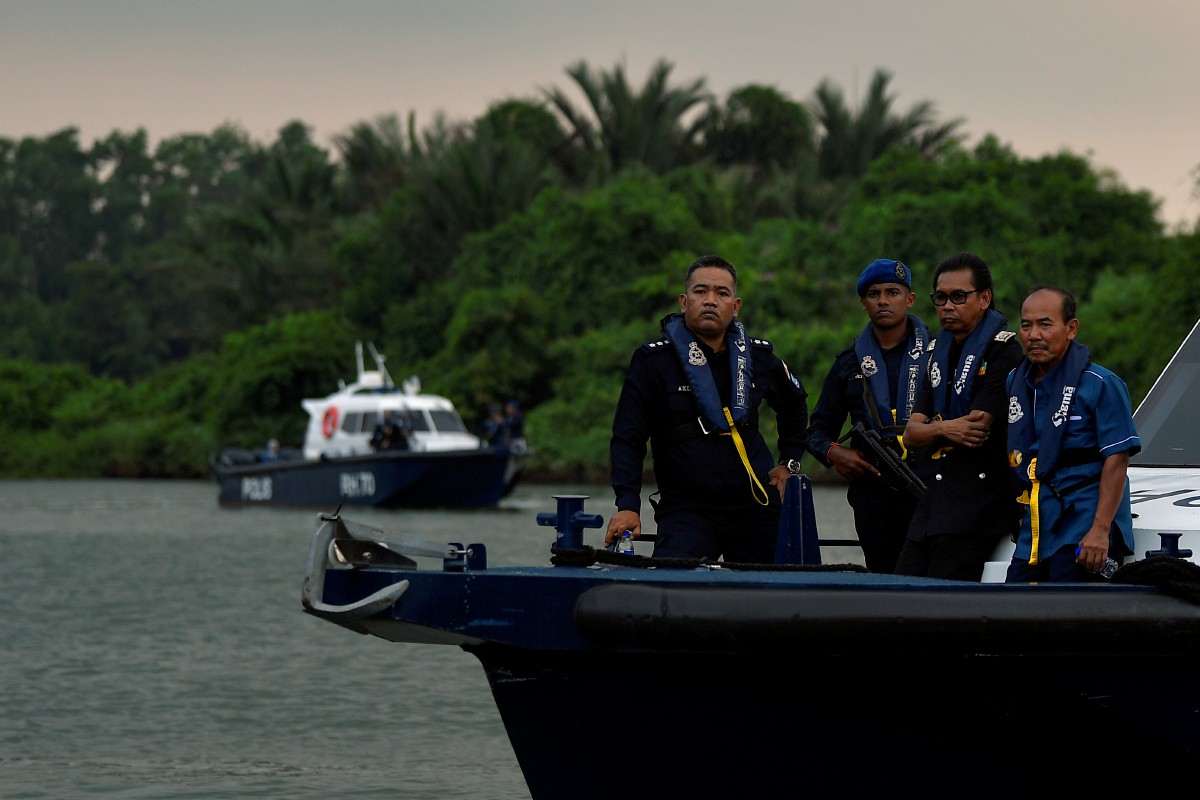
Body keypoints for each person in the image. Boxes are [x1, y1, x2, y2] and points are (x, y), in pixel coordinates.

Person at [606, 254, 810, 562]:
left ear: (735, 306)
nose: (711, 300)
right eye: (701, 291)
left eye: (722, 293)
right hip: (687, 509)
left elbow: (795, 406)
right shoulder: (653, 362)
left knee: (777, 591)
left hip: (755, 504)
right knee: (674, 591)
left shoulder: (760, 357)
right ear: (684, 301)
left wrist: (789, 463)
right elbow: (628, 438)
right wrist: (627, 505)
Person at [895, 252, 1025, 581]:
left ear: (984, 299)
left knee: (945, 603)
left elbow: (977, 427)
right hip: (933, 501)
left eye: (958, 297)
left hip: (977, 505)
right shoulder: (936, 353)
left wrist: (934, 429)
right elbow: (911, 434)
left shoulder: (1003, 350)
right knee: (901, 592)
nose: (947, 306)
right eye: (941, 297)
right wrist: (947, 428)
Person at [1004, 286, 1141, 582]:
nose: (1034, 334)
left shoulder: (1101, 383)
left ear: (1071, 328)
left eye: (1045, 324)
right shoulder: (1015, 381)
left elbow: (1117, 459)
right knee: (1013, 614)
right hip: (1036, 532)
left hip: (1085, 529)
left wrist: (1100, 531)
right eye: (1026, 325)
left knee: (1069, 620)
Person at [806, 258, 930, 574]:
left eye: (893, 292)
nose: (883, 300)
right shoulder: (848, 363)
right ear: (864, 303)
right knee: (883, 577)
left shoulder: (937, 355)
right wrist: (835, 453)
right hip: (874, 491)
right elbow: (817, 430)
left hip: (929, 484)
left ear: (910, 299)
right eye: (874, 294)